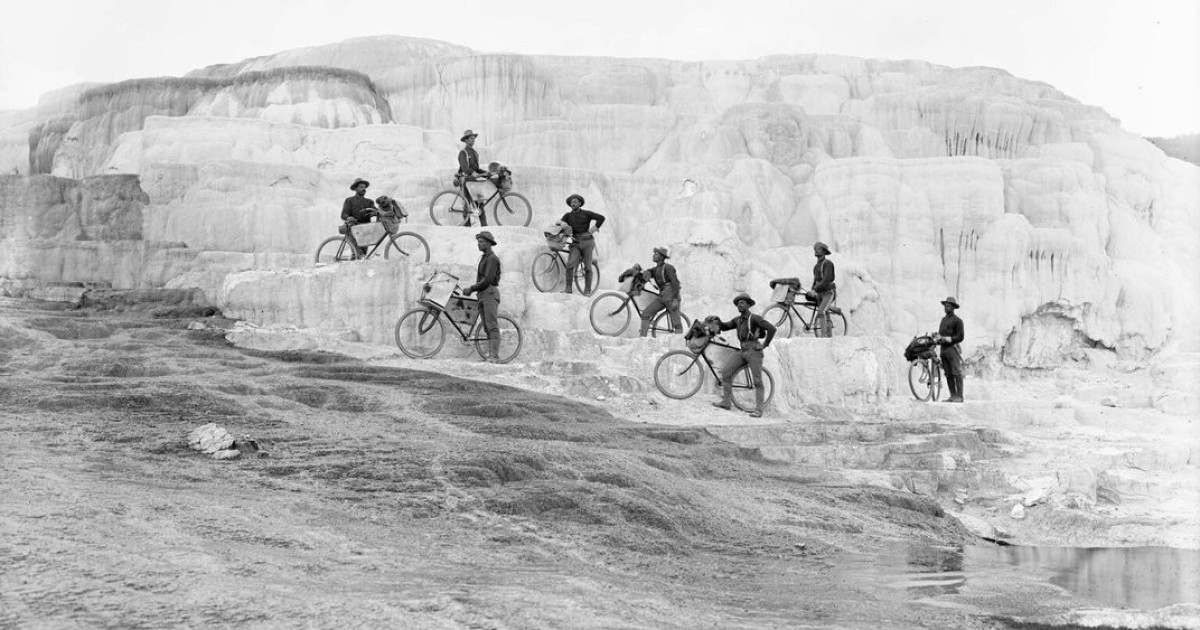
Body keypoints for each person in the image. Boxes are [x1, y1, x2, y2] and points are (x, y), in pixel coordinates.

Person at [712, 293, 777, 417]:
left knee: (757, 381)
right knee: (726, 372)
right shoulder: (738, 320)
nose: (739, 304)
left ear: (748, 305)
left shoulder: (755, 318)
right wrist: (717, 320)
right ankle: (726, 402)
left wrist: (765, 344)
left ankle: (759, 410)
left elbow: (772, 329)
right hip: (742, 351)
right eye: (738, 303)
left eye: (742, 302)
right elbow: (725, 326)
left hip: (754, 351)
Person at [462, 231, 502, 362]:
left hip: (489, 293)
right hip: (482, 294)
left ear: (489, 243)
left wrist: (471, 288)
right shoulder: (484, 258)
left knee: (492, 325)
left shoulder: (492, 258)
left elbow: (487, 280)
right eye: (478, 242)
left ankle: (494, 355)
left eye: (481, 242)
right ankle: (491, 354)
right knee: (486, 327)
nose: (479, 244)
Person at [560, 194, 605, 294]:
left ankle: (587, 290)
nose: (573, 203)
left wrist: (594, 229)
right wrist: (562, 233)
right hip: (575, 243)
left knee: (588, 267)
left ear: (580, 203)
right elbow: (561, 226)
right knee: (570, 264)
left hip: (588, 242)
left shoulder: (586, 213)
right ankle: (568, 289)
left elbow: (601, 218)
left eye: (575, 201)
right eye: (571, 202)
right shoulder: (567, 216)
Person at [638, 247, 682, 336]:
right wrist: (646, 272)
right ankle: (642, 338)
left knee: (676, 322)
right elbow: (650, 271)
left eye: (656, 254)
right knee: (646, 314)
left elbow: (675, 283)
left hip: (671, 295)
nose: (654, 255)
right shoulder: (656, 269)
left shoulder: (668, 268)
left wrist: (674, 299)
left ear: (662, 257)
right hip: (662, 296)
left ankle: (679, 342)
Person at [457, 129, 490, 227]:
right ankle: (466, 226)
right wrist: (473, 173)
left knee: (480, 203)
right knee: (466, 204)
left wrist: (485, 173)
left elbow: (476, 168)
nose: (473, 140)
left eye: (474, 138)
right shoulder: (463, 153)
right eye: (471, 138)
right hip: (466, 180)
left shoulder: (474, 153)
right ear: (466, 140)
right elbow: (465, 168)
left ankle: (484, 226)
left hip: (474, 182)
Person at [937, 297, 965, 402]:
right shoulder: (943, 320)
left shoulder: (958, 321)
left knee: (956, 373)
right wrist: (937, 338)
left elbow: (961, 337)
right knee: (948, 373)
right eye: (945, 305)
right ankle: (953, 395)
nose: (946, 307)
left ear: (953, 307)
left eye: (948, 305)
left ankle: (960, 396)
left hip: (952, 349)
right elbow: (940, 334)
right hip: (943, 350)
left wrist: (951, 339)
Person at [341, 178, 377, 256]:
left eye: (364, 187)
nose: (364, 189)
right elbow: (344, 215)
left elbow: (376, 211)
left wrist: (375, 212)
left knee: (363, 255)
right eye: (361, 187)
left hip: (365, 230)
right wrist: (348, 218)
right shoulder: (349, 200)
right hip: (353, 229)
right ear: (355, 188)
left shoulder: (369, 202)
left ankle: (354, 262)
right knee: (359, 254)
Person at [809, 242, 836, 337]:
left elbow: (826, 280)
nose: (816, 251)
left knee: (821, 312)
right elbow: (815, 281)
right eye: (815, 249)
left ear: (824, 252)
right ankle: (829, 336)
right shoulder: (816, 266)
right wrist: (812, 290)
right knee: (825, 314)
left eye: (818, 249)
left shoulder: (828, 264)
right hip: (819, 294)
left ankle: (823, 337)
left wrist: (815, 290)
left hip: (828, 293)